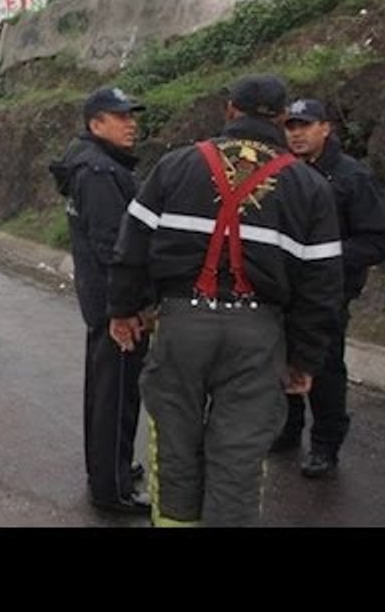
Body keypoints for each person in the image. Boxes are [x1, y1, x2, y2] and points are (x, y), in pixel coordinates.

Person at [107, 75, 343, 526]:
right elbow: (321, 286)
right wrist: (304, 359)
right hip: (258, 338)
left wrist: (123, 310)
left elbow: (131, 246)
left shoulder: (176, 165)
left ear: (230, 109)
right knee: (238, 458)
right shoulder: (310, 187)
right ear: (279, 118)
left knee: (176, 449)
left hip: (181, 327)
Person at [48, 86, 150, 515]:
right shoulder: (101, 173)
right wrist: (126, 310)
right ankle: (113, 489)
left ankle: (110, 471)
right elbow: (115, 247)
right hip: (115, 305)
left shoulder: (90, 165)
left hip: (103, 300)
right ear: (96, 124)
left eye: (132, 115)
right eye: (120, 116)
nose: (131, 124)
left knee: (107, 391)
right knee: (117, 397)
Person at [271, 98, 385, 477]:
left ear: (326, 129)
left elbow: (375, 239)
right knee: (284, 359)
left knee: (323, 368)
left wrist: (324, 259)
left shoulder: (352, 177)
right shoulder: (282, 172)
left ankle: (325, 445)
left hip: (328, 292)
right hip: (286, 289)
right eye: (291, 126)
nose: (297, 133)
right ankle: (287, 430)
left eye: (305, 125)